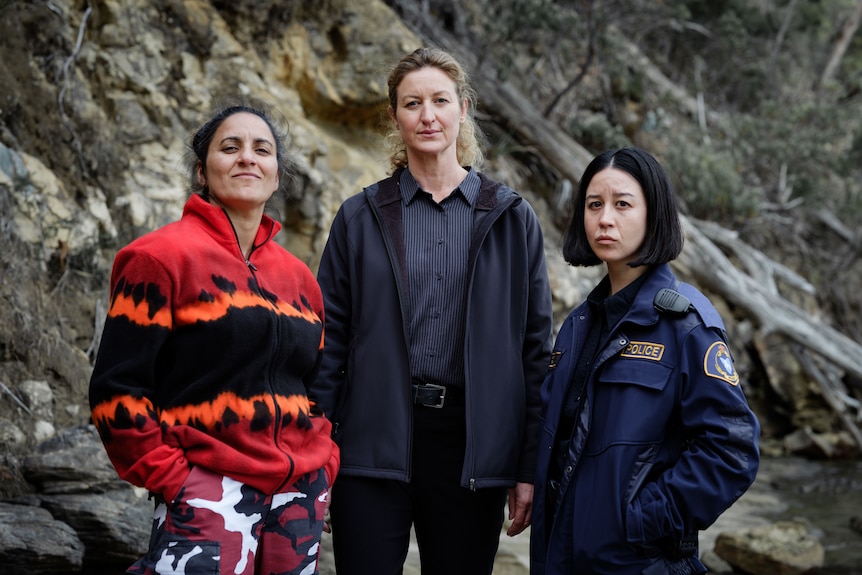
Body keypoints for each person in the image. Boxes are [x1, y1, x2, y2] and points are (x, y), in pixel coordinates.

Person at [312, 47, 554, 575]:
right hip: (371, 443)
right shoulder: (360, 217)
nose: (427, 115)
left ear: (463, 109)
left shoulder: (512, 219)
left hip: (473, 451)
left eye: (440, 101)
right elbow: (328, 347)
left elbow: (535, 355)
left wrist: (527, 466)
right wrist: (317, 456)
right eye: (412, 103)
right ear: (395, 116)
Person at [89, 103, 339, 575]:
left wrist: (324, 466)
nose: (248, 157)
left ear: (277, 174)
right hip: (210, 491)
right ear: (202, 172)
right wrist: (177, 481)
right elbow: (115, 392)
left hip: (298, 499)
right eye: (231, 147)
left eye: (261, 149)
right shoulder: (158, 258)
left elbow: (313, 389)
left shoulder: (301, 279)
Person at [530, 147, 761, 575]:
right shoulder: (578, 324)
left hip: (639, 562)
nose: (605, 219)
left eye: (622, 204)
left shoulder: (686, 324)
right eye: (594, 205)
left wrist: (643, 519)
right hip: (561, 558)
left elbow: (732, 449)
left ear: (654, 214)